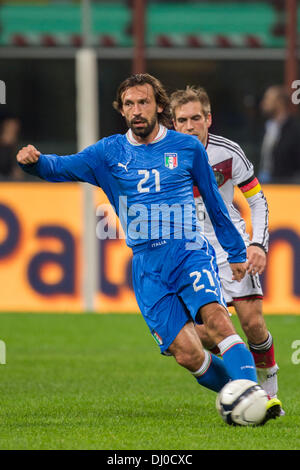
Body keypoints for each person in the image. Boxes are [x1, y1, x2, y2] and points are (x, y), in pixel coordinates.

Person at [16, 73, 281, 423]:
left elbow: (216, 206)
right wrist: (34, 163)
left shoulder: (186, 148)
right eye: (129, 104)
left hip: (189, 250)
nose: (136, 110)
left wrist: (235, 252)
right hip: (147, 265)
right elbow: (62, 167)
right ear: (122, 110)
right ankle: (243, 395)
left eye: (143, 102)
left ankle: (254, 400)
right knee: (187, 353)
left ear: (159, 105)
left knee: (216, 319)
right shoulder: (108, 152)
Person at [170, 85, 282, 406]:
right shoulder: (163, 155)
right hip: (189, 254)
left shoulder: (228, 153)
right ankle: (242, 387)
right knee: (190, 336)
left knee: (252, 323)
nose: (189, 126)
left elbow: (257, 200)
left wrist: (257, 245)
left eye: (196, 118)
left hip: (228, 246)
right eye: (182, 120)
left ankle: (267, 386)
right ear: (174, 124)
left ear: (208, 119)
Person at [259, 84, 300, 183]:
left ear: (279, 102)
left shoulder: (294, 130)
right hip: (267, 185)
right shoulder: (268, 127)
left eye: (268, 99)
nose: (264, 103)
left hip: (286, 187)